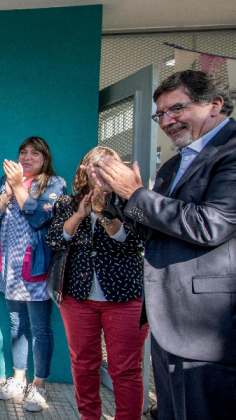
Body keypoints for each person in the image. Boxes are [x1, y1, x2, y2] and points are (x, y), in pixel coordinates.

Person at [91, 70, 236, 420]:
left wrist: (135, 193)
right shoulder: (174, 165)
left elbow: (210, 224)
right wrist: (116, 200)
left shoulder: (230, 152)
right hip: (168, 319)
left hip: (207, 328)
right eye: (161, 114)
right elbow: (153, 231)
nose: (168, 121)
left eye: (177, 109)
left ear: (214, 104)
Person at [47, 146, 148, 420]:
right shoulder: (67, 203)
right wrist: (80, 214)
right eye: (96, 168)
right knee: (83, 364)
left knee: (125, 370)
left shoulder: (132, 202)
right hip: (77, 298)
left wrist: (103, 213)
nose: (102, 174)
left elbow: (134, 243)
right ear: (85, 172)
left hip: (125, 297)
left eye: (109, 167)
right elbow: (55, 240)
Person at [0, 136, 65, 412]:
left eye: (34, 153)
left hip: (37, 268)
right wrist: (8, 191)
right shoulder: (3, 180)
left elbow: (41, 218)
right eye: (23, 152)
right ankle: (18, 379)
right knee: (17, 324)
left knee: (40, 328)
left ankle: (39, 384)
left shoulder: (55, 183)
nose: (27, 157)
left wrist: (19, 187)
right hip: (9, 266)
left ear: (45, 159)